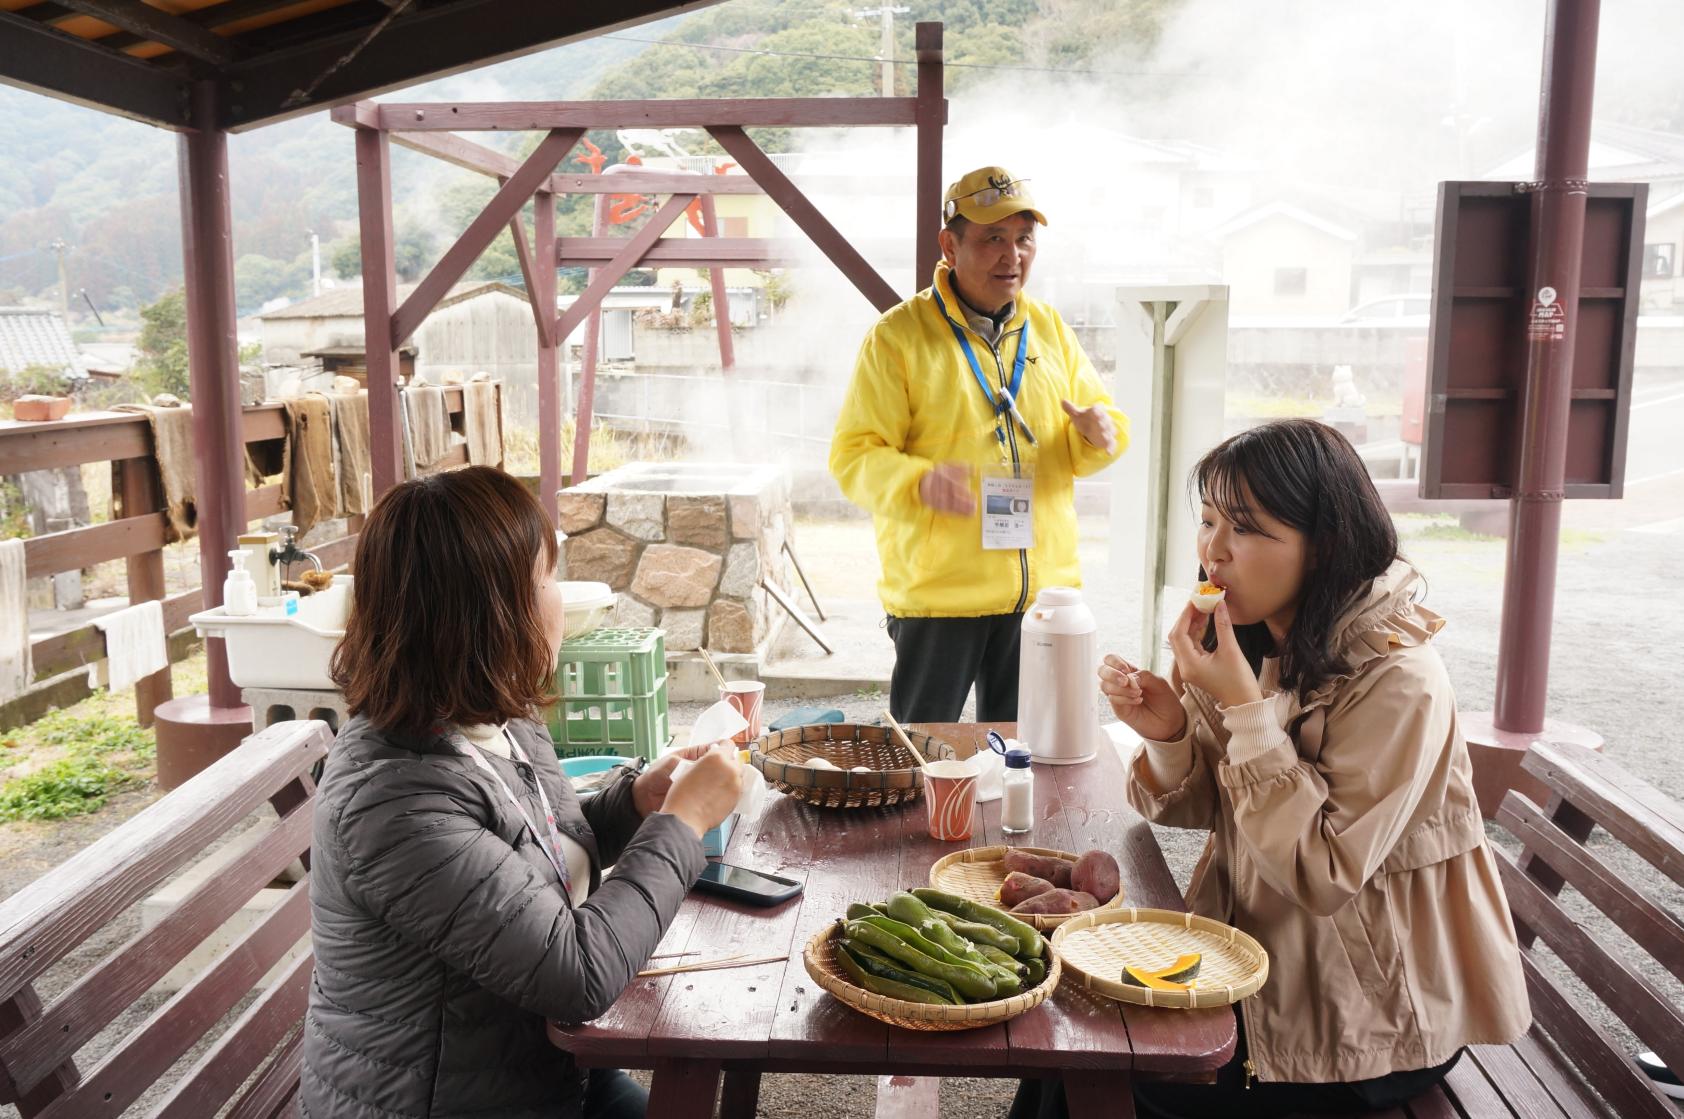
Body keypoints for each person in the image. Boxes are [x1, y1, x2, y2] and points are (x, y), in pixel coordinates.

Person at [1012, 419, 1530, 1119]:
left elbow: (1321, 874)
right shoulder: (1252, 638)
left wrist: (1242, 708)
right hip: (1257, 959)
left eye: (1247, 528)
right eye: (1206, 520)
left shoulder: (1402, 679)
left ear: (1325, 544)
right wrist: (1169, 732)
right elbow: (1195, 808)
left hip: (1367, 1018)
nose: (1213, 550)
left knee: (1106, 1066)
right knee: (1068, 1043)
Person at [300, 466, 742, 1119]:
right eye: (545, 577)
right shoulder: (390, 801)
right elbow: (577, 975)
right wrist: (682, 822)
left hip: (536, 1076)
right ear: (485, 612)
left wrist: (634, 804)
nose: (559, 597)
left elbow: (517, 849)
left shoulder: (494, 716)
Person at [829, 165, 1127, 723]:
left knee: (1030, 752)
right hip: (941, 596)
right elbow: (854, 456)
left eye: (1023, 239)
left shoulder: (1050, 328)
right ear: (950, 244)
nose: (1011, 256)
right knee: (924, 756)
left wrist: (1098, 435)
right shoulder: (898, 336)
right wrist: (918, 480)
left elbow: (1097, 425)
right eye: (992, 238)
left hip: (1042, 594)